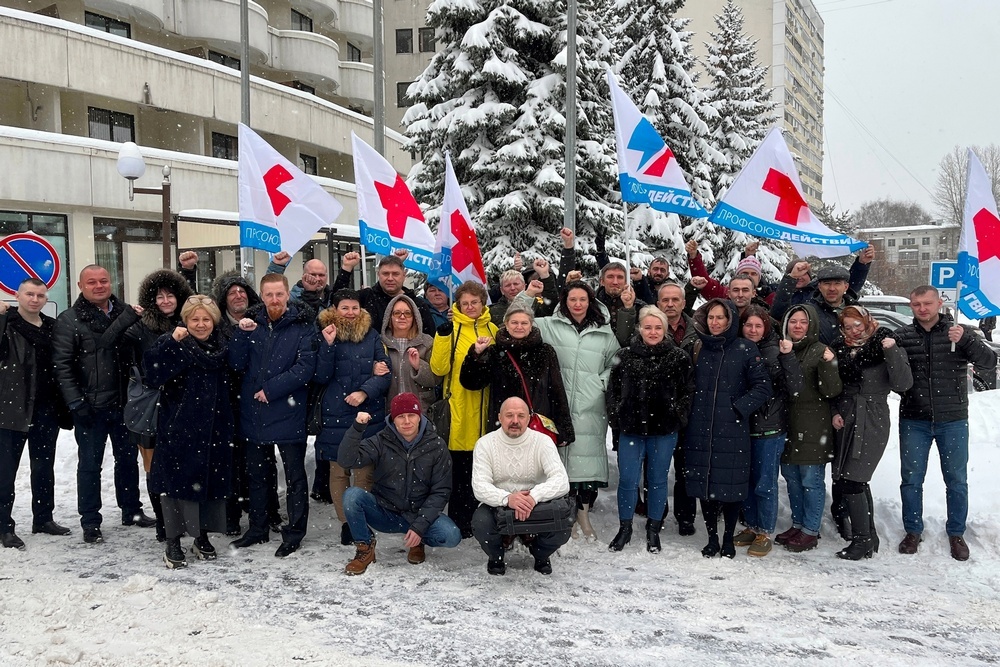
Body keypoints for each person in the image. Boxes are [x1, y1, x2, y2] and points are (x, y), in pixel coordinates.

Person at [53, 265, 154, 544]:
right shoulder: (70, 320)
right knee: (90, 465)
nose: (99, 286)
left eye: (103, 281)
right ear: (80, 286)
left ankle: (132, 511)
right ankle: (90, 521)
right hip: (90, 406)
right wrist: (76, 402)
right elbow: (62, 366)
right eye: (92, 282)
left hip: (124, 403)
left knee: (128, 461)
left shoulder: (127, 313)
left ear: (111, 282)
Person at [894, 286, 996, 561]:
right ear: (911, 306)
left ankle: (956, 533)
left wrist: (967, 341)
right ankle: (913, 530)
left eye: (927, 303)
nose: (922, 309)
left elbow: (990, 363)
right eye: (917, 304)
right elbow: (890, 372)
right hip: (914, 419)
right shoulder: (902, 335)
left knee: (956, 480)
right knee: (911, 479)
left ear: (939, 303)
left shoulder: (959, 332)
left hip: (953, 420)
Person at [512, 281, 619, 539]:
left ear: (590, 302)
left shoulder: (604, 333)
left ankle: (583, 515)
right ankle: (565, 515)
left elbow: (615, 363)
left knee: (586, 466)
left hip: (590, 406)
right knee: (557, 463)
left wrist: (599, 383)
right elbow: (517, 319)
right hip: (556, 405)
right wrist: (527, 295)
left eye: (583, 299)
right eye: (573, 299)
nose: (578, 304)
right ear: (565, 301)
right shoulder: (549, 325)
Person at [228, 274, 316, 558]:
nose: (274, 300)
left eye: (279, 294)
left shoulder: (303, 326)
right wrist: (241, 335)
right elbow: (236, 364)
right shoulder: (251, 324)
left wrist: (271, 389)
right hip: (254, 413)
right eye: (269, 295)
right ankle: (258, 527)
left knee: (294, 478)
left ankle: (295, 532)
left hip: (288, 412)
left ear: (287, 294)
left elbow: (305, 368)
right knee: (257, 476)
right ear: (262, 296)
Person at [143, 295, 233, 568]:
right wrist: (170, 343)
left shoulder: (222, 345)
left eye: (206, 319)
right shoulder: (174, 342)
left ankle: (201, 535)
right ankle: (173, 540)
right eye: (195, 319)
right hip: (179, 428)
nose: (201, 324)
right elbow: (152, 374)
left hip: (214, 428)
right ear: (185, 320)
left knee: (208, 484)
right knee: (175, 488)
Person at [684, 299, 771, 558]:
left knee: (732, 487)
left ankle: (728, 539)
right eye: (711, 317)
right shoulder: (698, 347)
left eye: (720, 317)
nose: (715, 322)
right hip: (700, 427)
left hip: (732, 429)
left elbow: (762, 387)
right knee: (705, 485)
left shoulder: (745, 348)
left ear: (730, 319)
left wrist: (737, 409)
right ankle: (712, 538)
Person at [339, 394, 461, 574]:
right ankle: (365, 548)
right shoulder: (381, 440)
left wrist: (420, 527)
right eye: (401, 416)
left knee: (451, 535)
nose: (406, 421)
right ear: (393, 419)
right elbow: (346, 460)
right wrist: (357, 428)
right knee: (352, 496)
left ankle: (418, 541)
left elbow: (441, 491)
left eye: (411, 415)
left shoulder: (436, 445)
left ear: (419, 416)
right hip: (385, 512)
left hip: (418, 513)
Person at [606, 306, 692, 553]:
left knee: (657, 481)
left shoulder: (678, 357)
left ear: (665, 330)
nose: (652, 332)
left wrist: (678, 415)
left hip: (663, 431)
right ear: (640, 329)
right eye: (648, 327)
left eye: (657, 328)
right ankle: (625, 528)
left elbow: (688, 391)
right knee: (627, 480)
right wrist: (617, 416)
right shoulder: (625, 356)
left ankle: (653, 529)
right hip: (631, 430)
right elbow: (612, 391)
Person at [830, 306, 912, 560]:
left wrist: (892, 351)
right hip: (846, 416)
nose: (853, 330)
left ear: (867, 322)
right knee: (851, 479)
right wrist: (835, 411)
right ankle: (869, 536)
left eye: (857, 324)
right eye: (847, 326)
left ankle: (862, 539)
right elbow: (834, 386)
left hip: (872, 417)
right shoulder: (840, 349)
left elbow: (903, 383)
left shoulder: (883, 343)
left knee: (854, 479)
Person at [0, 281, 73, 549]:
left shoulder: (53, 327)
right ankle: (4, 527)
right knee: (5, 471)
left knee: (43, 467)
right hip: (11, 408)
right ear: (17, 295)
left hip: (46, 409)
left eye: (40, 295)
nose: (34, 299)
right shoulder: (6, 324)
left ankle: (43, 518)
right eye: (29, 294)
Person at [315, 290, 391, 544]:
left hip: (366, 411)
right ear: (334, 309)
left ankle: (361, 519)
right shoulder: (325, 333)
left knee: (364, 472)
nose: (350, 313)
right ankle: (346, 523)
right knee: (338, 472)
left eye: (354, 308)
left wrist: (364, 391)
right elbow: (320, 376)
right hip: (335, 413)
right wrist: (327, 346)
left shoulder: (372, 335)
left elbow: (386, 373)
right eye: (344, 308)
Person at [123, 268, 194, 542]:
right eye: (159, 296)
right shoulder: (141, 327)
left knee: (182, 466)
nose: (166, 301)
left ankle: (183, 520)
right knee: (154, 468)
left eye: (170, 295)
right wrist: (128, 317)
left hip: (183, 406)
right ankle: (163, 522)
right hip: (153, 406)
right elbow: (112, 344)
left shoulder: (191, 322)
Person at [212, 272, 282, 536]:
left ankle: (268, 511)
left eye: (242, 291)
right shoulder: (217, 325)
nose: (238, 296)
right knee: (230, 461)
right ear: (224, 299)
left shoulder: (262, 321)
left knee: (262, 461)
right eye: (232, 292)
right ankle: (231, 515)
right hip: (226, 402)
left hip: (257, 400)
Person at [470, 397, 571, 575]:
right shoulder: (485, 444)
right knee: (481, 522)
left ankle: (540, 553)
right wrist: (507, 498)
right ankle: (496, 556)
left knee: (563, 525)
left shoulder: (543, 441)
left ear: (529, 418)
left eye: (521, 416)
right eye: (509, 415)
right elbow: (479, 486)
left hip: (536, 506)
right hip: (499, 505)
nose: (515, 421)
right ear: (500, 417)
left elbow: (561, 480)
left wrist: (533, 496)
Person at [430, 280, 498, 537]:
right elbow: (438, 369)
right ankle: (459, 523)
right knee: (460, 471)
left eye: (474, 302)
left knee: (483, 470)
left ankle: (482, 522)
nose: (470, 307)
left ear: (483, 303)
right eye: (465, 303)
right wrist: (442, 337)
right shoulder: (452, 329)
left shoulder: (493, 329)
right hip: (458, 409)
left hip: (486, 409)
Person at [734, 305, 802, 557]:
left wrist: (788, 357)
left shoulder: (775, 351)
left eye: (758, 325)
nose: (753, 330)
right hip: (743, 427)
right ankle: (752, 526)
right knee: (748, 481)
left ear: (766, 328)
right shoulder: (738, 349)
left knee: (765, 482)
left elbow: (795, 387)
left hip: (769, 428)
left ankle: (765, 530)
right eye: (748, 325)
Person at [775, 304, 842, 552]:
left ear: (811, 325)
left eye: (803, 322)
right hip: (788, 424)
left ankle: (811, 530)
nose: (798, 326)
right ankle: (798, 524)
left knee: (810, 480)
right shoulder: (782, 347)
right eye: (793, 321)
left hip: (814, 425)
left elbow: (832, 390)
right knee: (792, 478)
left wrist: (829, 364)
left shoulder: (821, 351)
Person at [458, 305, 574, 446]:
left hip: (537, 427)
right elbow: (471, 383)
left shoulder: (545, 352)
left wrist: (563, 430)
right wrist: (476, 355)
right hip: (503, 427)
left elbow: (557, 391)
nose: (519, 327)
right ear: (506, 324)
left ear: (531, 325)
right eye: (514, 322)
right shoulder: (495, 352)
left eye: (524, 323)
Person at [341, 253, 437, 334]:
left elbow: (429, 338)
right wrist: (346, 269)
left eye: (395, 274)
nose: (390, 278)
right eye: (385, 274)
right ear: (378, 274)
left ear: (404, 275)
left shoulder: (418, 305)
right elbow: (339, 299)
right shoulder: (366, 297)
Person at [381, 294, 440, 412]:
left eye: (407, 313)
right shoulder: (379, 343)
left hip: (420, 411)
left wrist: (419, 366)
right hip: (389, 412)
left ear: (415, 317)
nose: (402, 317)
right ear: (389, 317)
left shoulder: (427, 342)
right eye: (397, 313)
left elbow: (436, 380)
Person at [266, 252, 335, 311]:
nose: (317, 279)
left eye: (321, 275)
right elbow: (270, 293)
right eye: (313, 275)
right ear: (303, 276)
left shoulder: (333, 299)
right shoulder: (292, 299)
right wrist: (277, 266)